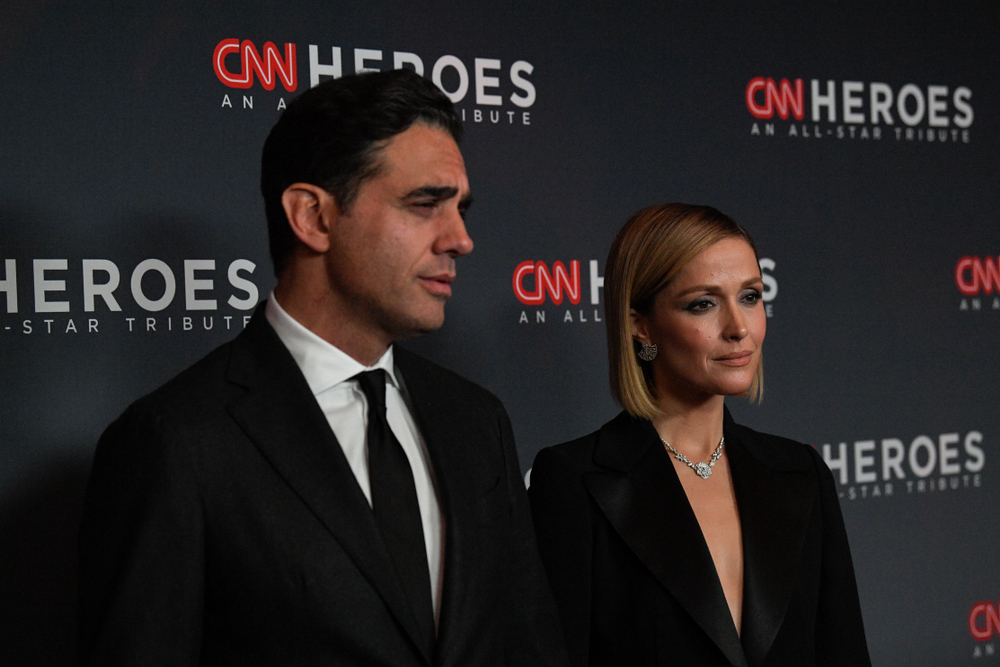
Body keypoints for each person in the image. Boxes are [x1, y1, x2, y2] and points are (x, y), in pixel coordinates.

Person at [79, 69, 566, 667]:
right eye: (425, 205)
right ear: (312, 217)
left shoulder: (476, 420)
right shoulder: (175, 441)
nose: (461, 239)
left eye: (461, 208)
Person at [528, 203, 871, 667]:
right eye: (703, 304)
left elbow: (843, 652)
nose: (739, 327)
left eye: (750, 296)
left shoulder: (801, 472)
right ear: (640, 324)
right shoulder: (573, 480)